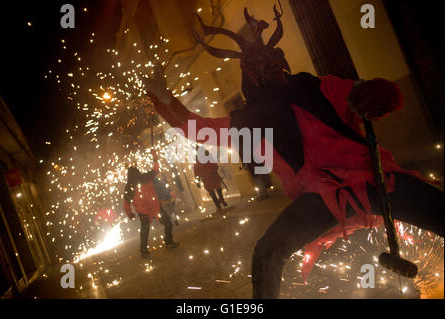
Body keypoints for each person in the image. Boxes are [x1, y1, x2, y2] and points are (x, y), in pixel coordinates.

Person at [144, 7, 443, 298]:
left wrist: (377, 93)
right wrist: (162, 99)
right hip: (321, 198)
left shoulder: (320, 87)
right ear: (249, 73)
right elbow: (196, 128)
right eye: (259, 65)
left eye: (272, 60)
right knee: (267, 252)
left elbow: (376, 95)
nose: (269, 67)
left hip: (379, 182)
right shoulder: (250, 121)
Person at [123, 151, 179, 259]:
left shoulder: (129, 186)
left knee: (144, 231)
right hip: (155, 207)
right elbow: (156, 169)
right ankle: (168, 242)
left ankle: (144, 251)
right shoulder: (146, 177)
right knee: (167, 223)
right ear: (138, 172)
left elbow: (126, 204)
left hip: (144, 212)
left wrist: (130, 214)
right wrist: (155, 157)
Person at [194, 147, 227, 213]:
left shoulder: (198, 159)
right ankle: (221, 200)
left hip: (206, 178)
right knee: (218, 189)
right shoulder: (208, 155)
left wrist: (197, 180)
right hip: (213, 175)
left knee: (212, 192)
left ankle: (218, 206)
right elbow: (215, 165)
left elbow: (196, 170)